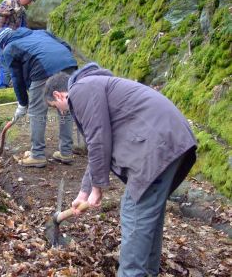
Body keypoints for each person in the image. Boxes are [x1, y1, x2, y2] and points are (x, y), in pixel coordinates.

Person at [44, 63, 197, 276]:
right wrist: (84, 192)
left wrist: (97, 188)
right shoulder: (96, 85)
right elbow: (98, 146)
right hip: (171, 140)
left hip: (157, 145)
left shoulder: (81, 90)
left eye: (54, 107)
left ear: (58, 95)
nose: (60, 113)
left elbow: (98, 140)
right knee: (147, 213)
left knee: (134, 212)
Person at [0, 27, 78, 167]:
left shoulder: (9, 48)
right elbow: (66, 46)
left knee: (36, 111)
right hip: (68, 63)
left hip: (43, 69)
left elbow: (17, 79)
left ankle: (37, 155)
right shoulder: (40, 32)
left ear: (3, 43)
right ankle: (66, 152)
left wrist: (23, 104)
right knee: (65, 107)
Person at [0, 0, 35, 89]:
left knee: (12, 67)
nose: (30, 3)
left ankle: (4, 88)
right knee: (5, 69)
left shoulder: (22, 10)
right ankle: (1, 91)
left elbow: (24, 27)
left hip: (10, 43)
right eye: (30, 0)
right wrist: (14, 11)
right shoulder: (9, 2)